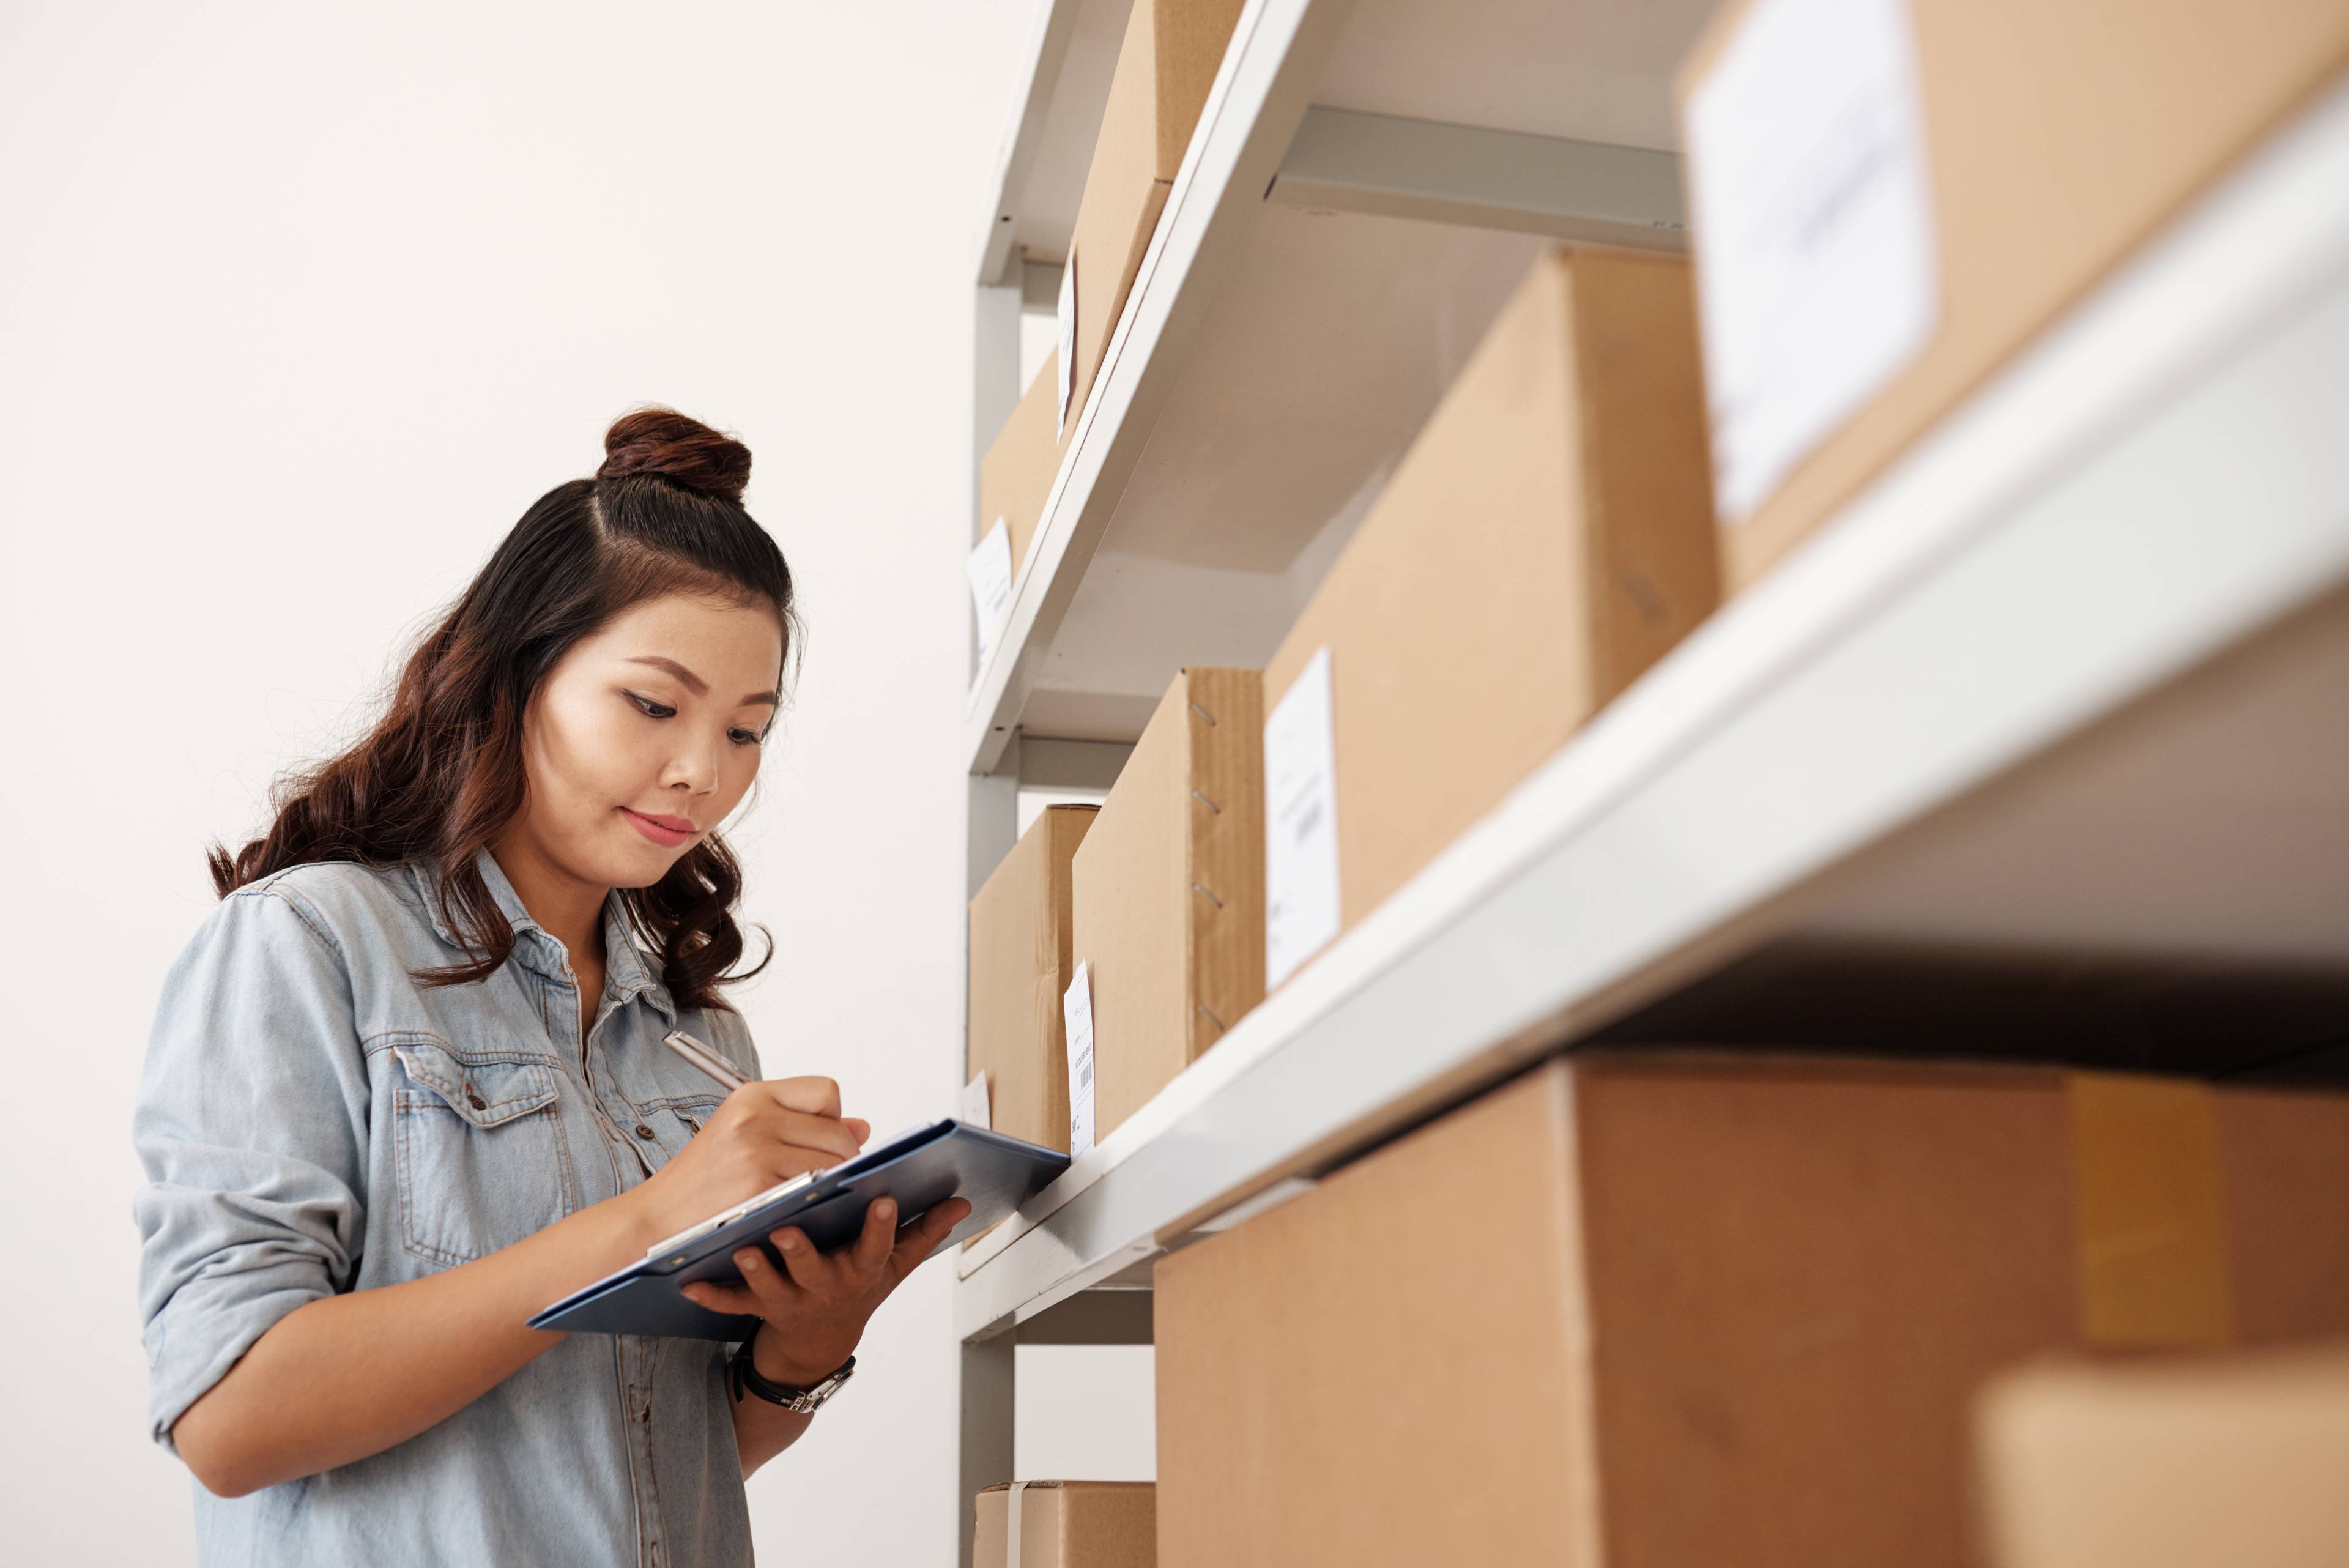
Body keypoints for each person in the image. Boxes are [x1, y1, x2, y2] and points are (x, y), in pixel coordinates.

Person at [132, 409, 970, 1566]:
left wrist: (808, 1345)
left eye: (746, 730)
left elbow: (653, 1458)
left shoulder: (700, 1035)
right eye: (653, 705)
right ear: (520, 674)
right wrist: (646, 1222)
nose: (702, 772)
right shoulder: (307, 946)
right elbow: (229, 1416)